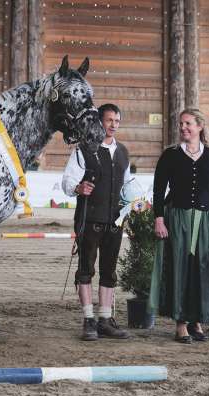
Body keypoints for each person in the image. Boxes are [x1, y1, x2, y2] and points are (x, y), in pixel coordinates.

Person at [150, 108, 209, 344]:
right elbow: (159, 189)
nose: (183, 128)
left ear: (200, 126)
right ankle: (181, 324)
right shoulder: (170, 155)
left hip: (205, 221)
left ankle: (197, 322)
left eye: (188, 124)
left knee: (202, 270)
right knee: (180, 268)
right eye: (181, 124)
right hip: (179, 218)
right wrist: (159, 218)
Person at [62, 103, 132, 341]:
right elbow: (67, 181)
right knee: (85, 270)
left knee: (109, 271)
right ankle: (88, 319)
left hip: (115, 221)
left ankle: (105, 319)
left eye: (117, 121)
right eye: (109, 120)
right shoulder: (83, 150)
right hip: (89, 219)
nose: (113, 125)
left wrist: (135, 202)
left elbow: (128, 184)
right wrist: (78, 187)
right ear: (99, 122)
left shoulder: (123, 151)